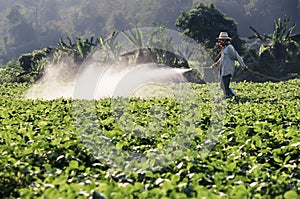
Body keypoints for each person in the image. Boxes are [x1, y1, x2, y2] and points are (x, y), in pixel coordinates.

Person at [211, 32, 248, 98]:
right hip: (223, 70)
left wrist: (243, 66)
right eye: (220, 40)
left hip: (227, 71)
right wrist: (215, 64)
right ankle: (232, 95)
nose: (220, 41)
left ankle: (231, 96)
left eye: (222, 40)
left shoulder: (230, 48)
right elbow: (221, 59)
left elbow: (237, 56)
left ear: (226, 40)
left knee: (224, 86)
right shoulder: (224, 49)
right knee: (223, 86)